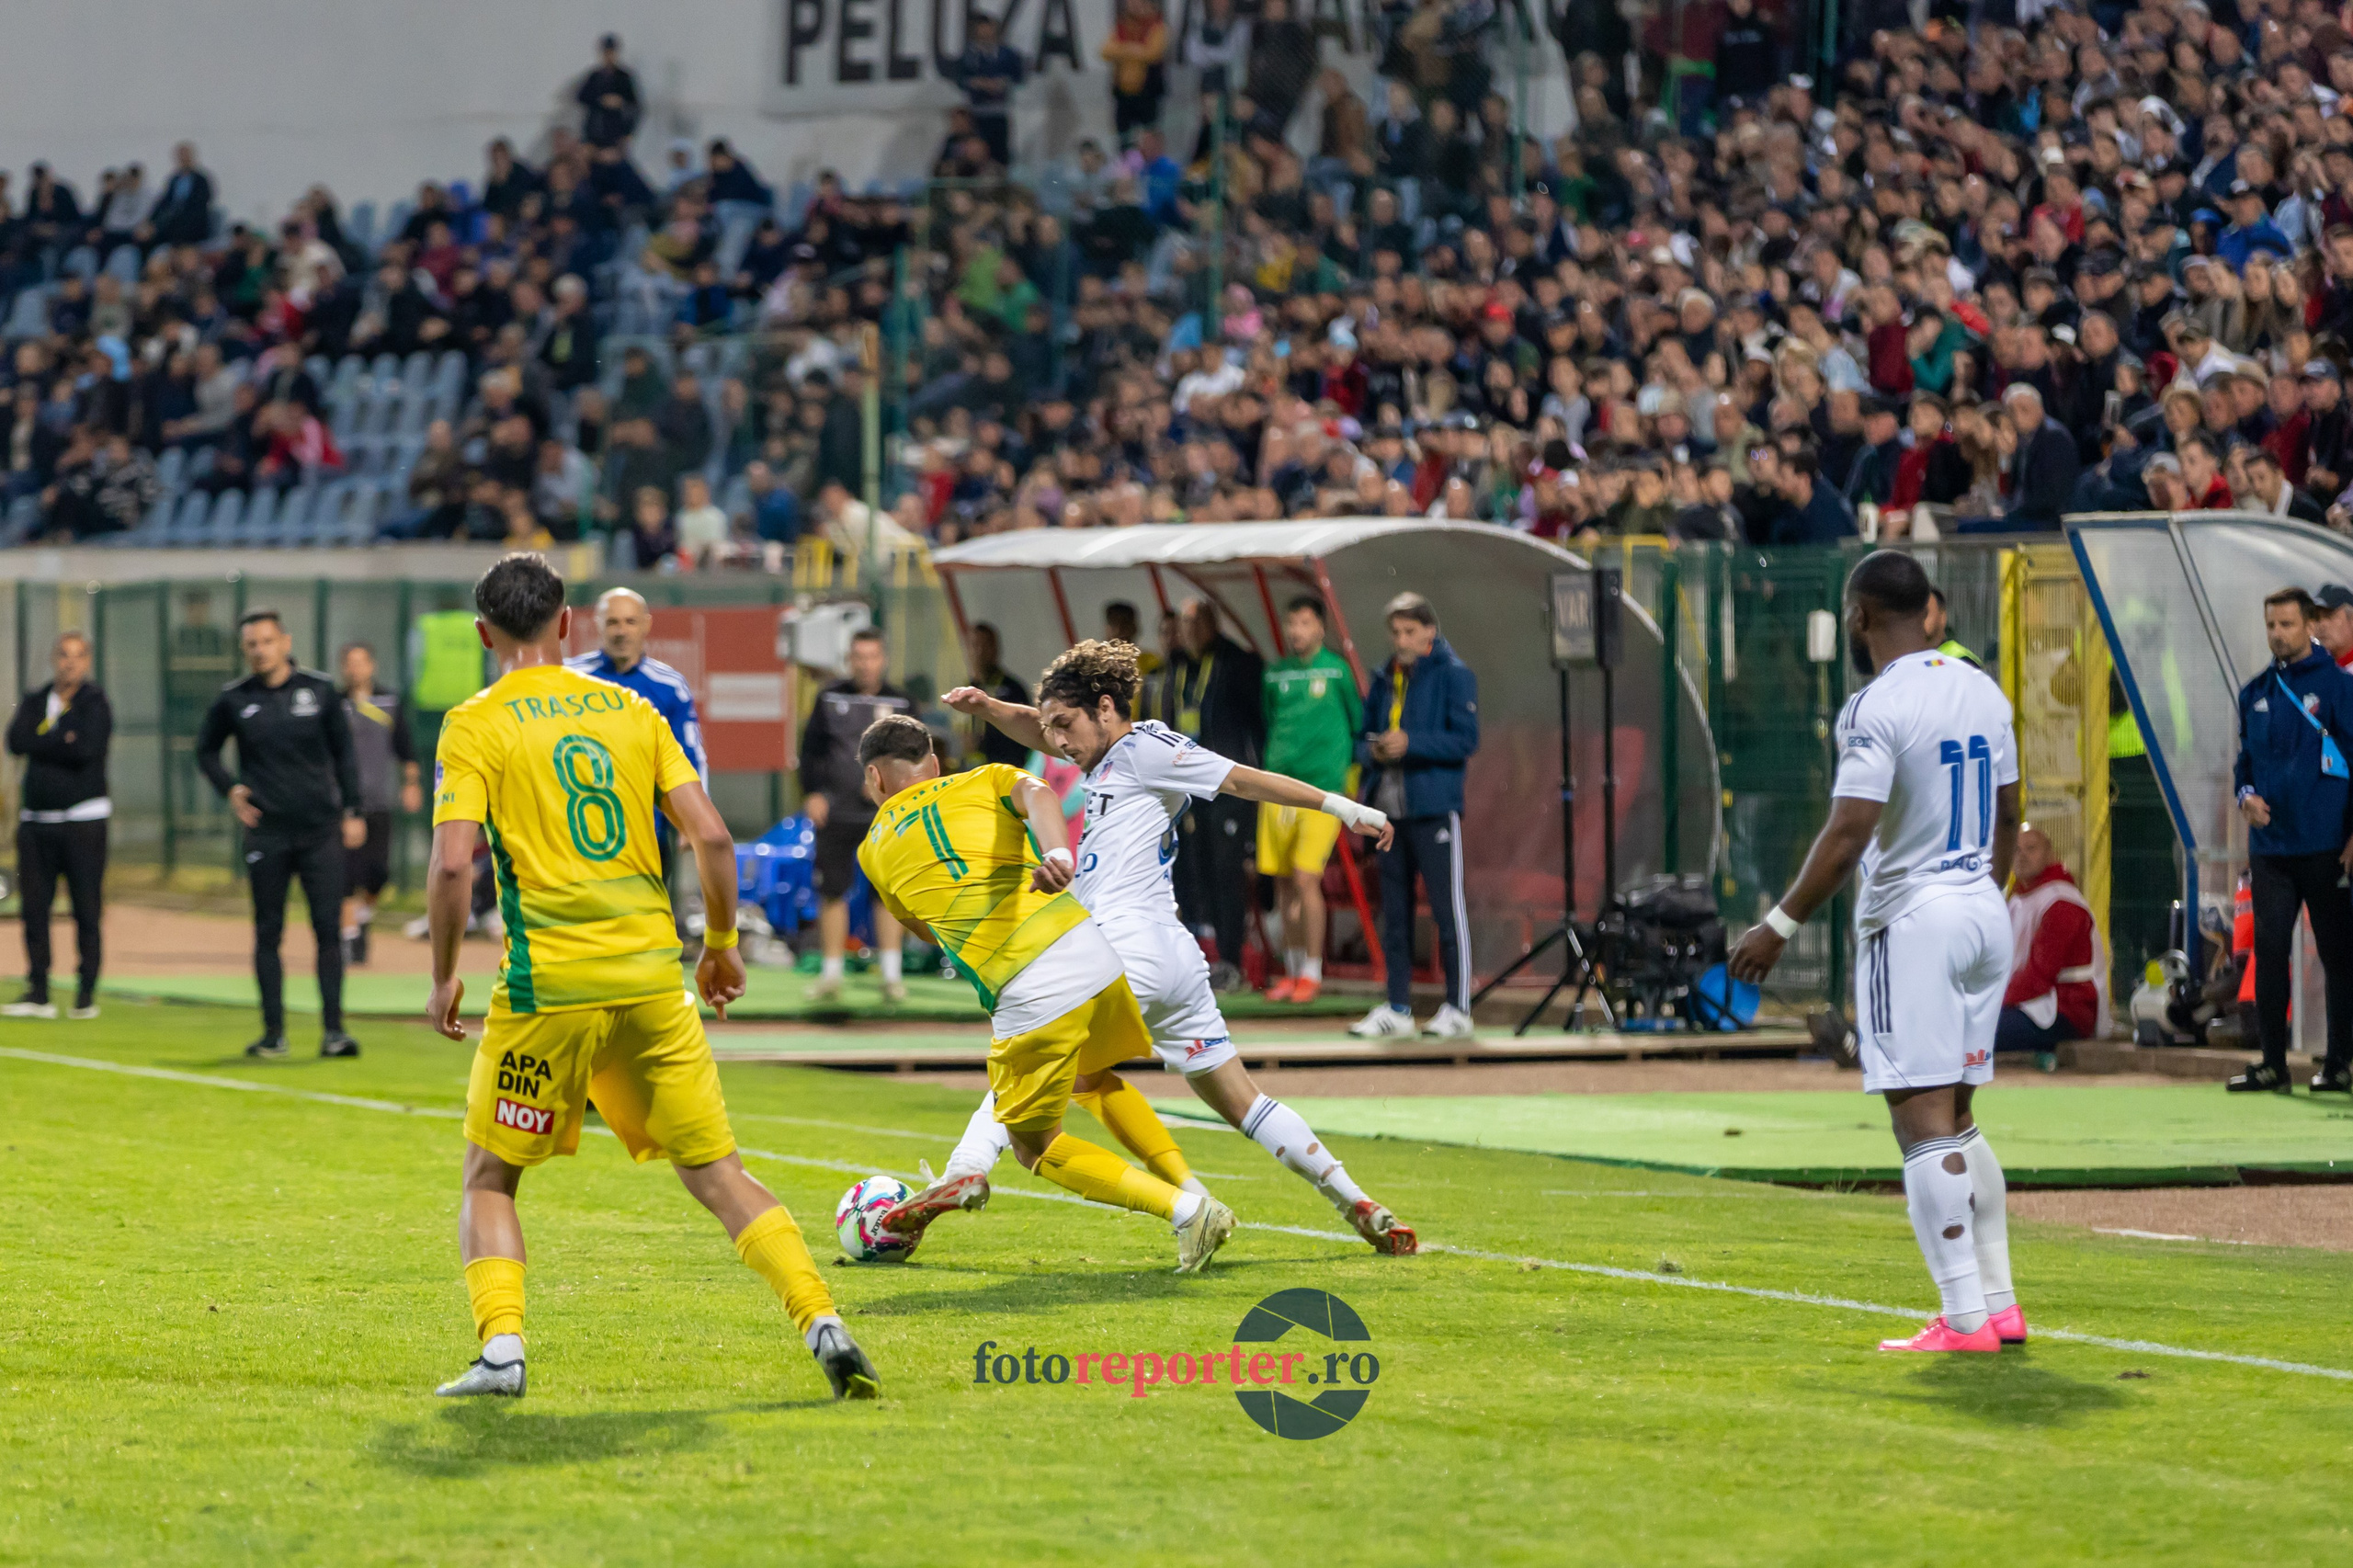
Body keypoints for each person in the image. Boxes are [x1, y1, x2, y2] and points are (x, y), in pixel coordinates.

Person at [424, 553, 878, 1401]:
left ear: (487, 635)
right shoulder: (633, 709)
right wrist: (721, 941)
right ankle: (822, 1320)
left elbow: (454, 867)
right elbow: (710, 836)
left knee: (491, 1178)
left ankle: (503, 1353)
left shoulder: (474, 722)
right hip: (651, 982)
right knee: (719, 1173)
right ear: (567, 625)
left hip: (547, 989)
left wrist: (445, 973)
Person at [927, 641, 1415, 1253]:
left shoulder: (1147, 749)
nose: (1056, 741)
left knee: (1026, 1057)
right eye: (1050, 726)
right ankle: (1357, 1202)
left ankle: (964, 1170)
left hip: (1121, 948)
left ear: (1106, 708)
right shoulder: (1106, 749)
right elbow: (1039, 723)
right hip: (1174, 961)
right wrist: (991, 706)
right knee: (1243, 1102)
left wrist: (1339, 806)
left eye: (1066, 726)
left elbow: (1240, 777)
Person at [1728, 551, 2025, 1354]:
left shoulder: (1874, 706)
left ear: (1858, 617)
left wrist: (1778, 924)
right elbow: (2010, 814)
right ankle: (2000, 1303)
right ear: (1929, 610)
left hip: (1915, 919)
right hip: (1981, 911)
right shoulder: (1982, 688)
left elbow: (1850, 830)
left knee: (1921, 1122)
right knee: (1960, 1115)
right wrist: (1982, 892)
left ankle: (1964, 1319)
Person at [849, 711, 1236, 1271]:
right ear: (934, 764)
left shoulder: (872, 850)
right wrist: (1057, 855)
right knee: (1090, 1078)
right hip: (1092, 950)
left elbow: (925, 930)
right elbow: (1042, 796)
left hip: (1029, 985)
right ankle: (1190, 1182)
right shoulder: (987, 777)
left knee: (1037, 1147)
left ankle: (1187, 1210)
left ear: (875, 782)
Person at [197, 610, 366, 1062]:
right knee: (267, 931)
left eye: (267, 641)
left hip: (320, 831)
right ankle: (274, 1032)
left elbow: (344, 754)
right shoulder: (234, 699)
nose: (260, 650)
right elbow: (206, 750)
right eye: (251, 644)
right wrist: (230, 789)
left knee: (328, 930)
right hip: (266, 832)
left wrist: (353, 810)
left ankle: (334, 1031)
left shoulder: (319, 690)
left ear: (285, 642)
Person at [2227, 587, 2353, 1095]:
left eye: (2287, 625)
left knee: (2339, 956)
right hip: (2273, 851)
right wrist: (2245, 797)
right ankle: (2273, 1064)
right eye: (2271, 626)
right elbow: (2244, 765)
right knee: (2270, 950)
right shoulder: (2255, 690)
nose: (2278, 634)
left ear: (2309, 627)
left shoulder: (2340, 689)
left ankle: (2339, 1064)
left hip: (2327, 848)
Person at [1348, 593, 1480, 1040]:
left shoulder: (1455, 675)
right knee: (1396, 913)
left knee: (1448, 910)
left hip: (1434, 808)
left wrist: (1412, 743)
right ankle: (1398, 1006)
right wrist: (1374, 750)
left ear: (1429, 631)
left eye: (1410, 631)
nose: (1401, 640)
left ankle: (1459, 1007)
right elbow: (1360, 739)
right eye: (1396, 632)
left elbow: (1465, 740)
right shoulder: (1385, 677)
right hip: (1389, 812)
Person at [567, 589, 710, 950]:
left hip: (646, 828)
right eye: (612, 621)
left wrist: (692, 821)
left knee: (648, 925)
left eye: (630, 621)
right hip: (577, 824)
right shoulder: (569, 678)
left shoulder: (668, 685)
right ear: (597, 625)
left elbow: (690, 756)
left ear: (646, 625)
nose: (621, 631)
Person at [1152, 598, 1263, 989]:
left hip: (1227, 787)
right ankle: (1198, 958)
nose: (1189, 630)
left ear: (1215, 624)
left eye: (1197, 622)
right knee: (1190, 873)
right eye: (1184, 623)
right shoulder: (1177, 665)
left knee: (1227, 873)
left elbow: (1257, 723)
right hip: (1186, 790)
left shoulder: (1238, 662)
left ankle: (1232, 961)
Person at [797, 629, 912, 1003]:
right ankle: (832, 975)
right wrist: (812, 792)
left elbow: (918, 756)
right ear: (850, 660)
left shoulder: (903, 702)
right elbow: (810, 749)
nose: (866, 663)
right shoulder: (830, 697)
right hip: (836, 813)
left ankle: (892, 977)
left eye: (872, 656)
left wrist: (890, 786)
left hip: (886, 815)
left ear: (884, 659)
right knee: (832, 890)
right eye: (859, 656)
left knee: (889, 892)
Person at [1257, 597, 1361, 1004]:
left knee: (1305, 878)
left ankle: (1314, 971)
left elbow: (1356, 722)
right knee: (1283, 883)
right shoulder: (1274, 674)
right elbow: (1270, 721)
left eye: (1304, 623)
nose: (1297, 631)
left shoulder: (1336, 671)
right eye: (1291, 623)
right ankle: (1292, 969)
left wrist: (1349, 781)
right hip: (1277, 790)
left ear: (1321, 627)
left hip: (1322, 792)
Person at [4, 632, 111, 1020]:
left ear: (87, 661)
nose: (69, 663)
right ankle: (38, 990)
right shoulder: (36, 700)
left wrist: (44, 741)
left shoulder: (95, 702)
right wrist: (58, 739)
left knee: (86, 908)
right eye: (63, 655)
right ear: (53, 658)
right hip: (36, 822)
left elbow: (86, 748)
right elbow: (15, 741)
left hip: (83, 822)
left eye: (78, 656)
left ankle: (85, 994)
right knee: (34, 908)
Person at [336, 642, 422, 966]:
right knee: (345, 875)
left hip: (379, 802)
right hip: (343, 805)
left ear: (372, 665)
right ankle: (348, 941)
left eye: (361, 662)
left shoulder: (388, 702)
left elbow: (406, 750)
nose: (355, 668)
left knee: (377, 874)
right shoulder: (335, 703)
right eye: (349, 662)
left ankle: (361, 915)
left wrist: (411, 784)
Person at [1997, 826, 2107, 1072]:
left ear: (2051, 854)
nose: (2022, 855)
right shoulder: (2018, 899)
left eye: (2031, 848)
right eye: (2016, 849)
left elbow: (2038, 979)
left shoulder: (2061, 903)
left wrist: (1991, 1003)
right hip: (2032, 1005)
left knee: (1978, 1027)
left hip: (2067, 1010)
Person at [951, 15, 1027, 168]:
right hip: (977, 112)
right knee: (977, 152)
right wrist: (977, 83)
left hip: (999, 111)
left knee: (1000, 152)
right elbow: (960, 79)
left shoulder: (1007, 54)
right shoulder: (970, 56)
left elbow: (1019, 76)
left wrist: (1002, 83)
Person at [963, 622, 1031, 768]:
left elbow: (1026, 733)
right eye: (975, 645)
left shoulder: (1013, 689)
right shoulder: (965, 688)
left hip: (1007, 769)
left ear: (995, 648)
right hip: (974, 770)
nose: (979, 651)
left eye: (985, 645)